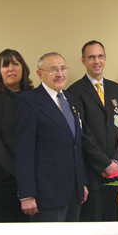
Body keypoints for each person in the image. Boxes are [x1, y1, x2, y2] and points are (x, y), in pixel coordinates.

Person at [14, 52, 89, 222]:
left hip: (74, 192)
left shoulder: (70, 98)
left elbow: (75, 144)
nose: (60, 74)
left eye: (63, 69)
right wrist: (26, 194)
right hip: (46, 194)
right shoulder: (29, 101)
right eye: (53, 70)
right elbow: (23, 151)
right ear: (40, 74)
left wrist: (82, 182)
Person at [67, 40, 118, 222]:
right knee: (92, 225)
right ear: (83, 60)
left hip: (116, 174)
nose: (96, 61)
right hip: (92, 174)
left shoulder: (117, 90)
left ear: (105, 59)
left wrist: (114, 161)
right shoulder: (74, 92)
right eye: (91, 57)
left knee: (115, 224)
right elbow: (81, 134)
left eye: (100, 56)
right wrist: (104, 164)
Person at [0, 49, 33, 223]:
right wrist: (18, 171)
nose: (11, 69)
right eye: (5, 65)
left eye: (15, 64)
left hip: (28, 177)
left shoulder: (32, 97)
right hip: (1, 178)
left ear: (23, 68)